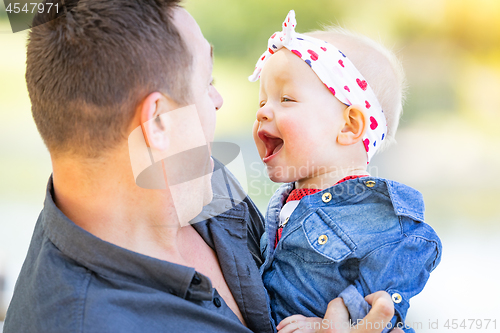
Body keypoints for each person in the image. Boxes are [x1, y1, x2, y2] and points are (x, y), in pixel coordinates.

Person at [4, 1, 402, 332]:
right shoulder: (88, 322)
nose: (218, 100)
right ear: (158, 122)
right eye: (207, 80)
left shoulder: (196, 174)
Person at [250, 10, 442, 333]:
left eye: (285, 98)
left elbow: (418, 248)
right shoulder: (285, 203)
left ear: (350, 126)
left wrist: (330, 320)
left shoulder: (373, 210)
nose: (264, 112)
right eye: (262, 102)